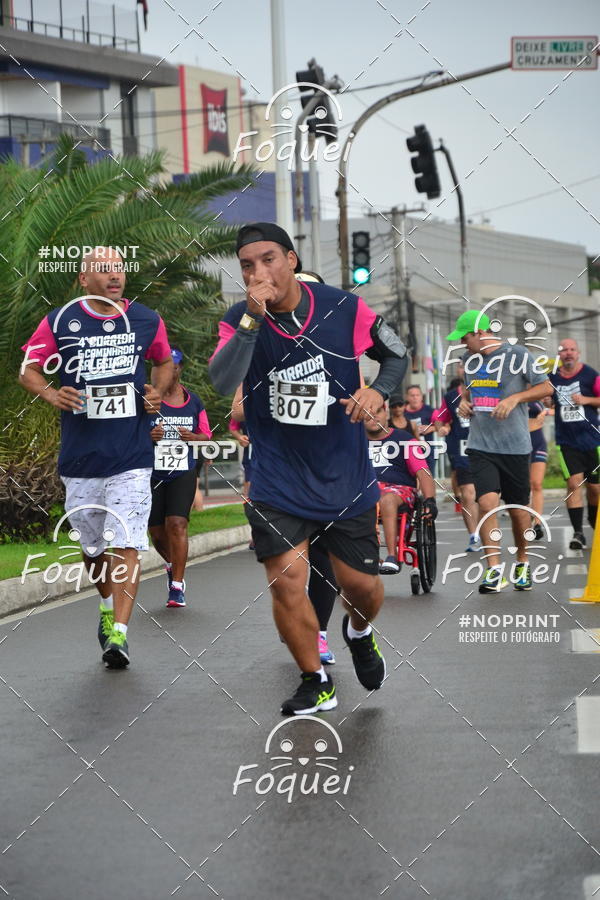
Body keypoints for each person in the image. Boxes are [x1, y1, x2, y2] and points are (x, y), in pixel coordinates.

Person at [209, 221, 408, 714]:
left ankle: (358, 631)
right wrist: (252, 320)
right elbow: (223, 381)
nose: (258, 272)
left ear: (291, 260)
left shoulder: (344, 308)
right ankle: (315, 679)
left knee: (361, 586)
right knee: (287, 581)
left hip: (343, 474)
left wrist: (377, 391)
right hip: (277, 477)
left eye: (268, 260)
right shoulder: (238, 319)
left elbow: (396, 352)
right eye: (247, 265)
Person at [19, 247, 173, 667]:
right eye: (104, 270)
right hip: (81, 458)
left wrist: (157, 390)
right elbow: (28, 369)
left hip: (132, 455)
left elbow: (163, 361)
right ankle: (106, 606)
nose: (114, 276)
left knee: (126, 540)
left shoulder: (146, 319)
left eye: (119, 269)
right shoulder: (60, 321)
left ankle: (119, 634)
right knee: (92, 547)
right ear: (83, 280)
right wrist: (52, 393)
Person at [446, 309, 553, 593]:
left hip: (515, 446)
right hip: (481, 445)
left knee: (518, 511)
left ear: (480, 333)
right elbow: (469, 392)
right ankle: (494, 570)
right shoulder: (468, 360)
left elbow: (546, 387)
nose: (462, 343)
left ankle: (522, 562)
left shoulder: (517, 354)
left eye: (464, 337)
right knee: (486, 504)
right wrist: (464, 404)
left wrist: (516, 398)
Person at [148, 347, 212, 608]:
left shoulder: (193, 402)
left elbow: (206, 436)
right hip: (151, 473)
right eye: (161, 366)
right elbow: (127, 434)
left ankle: (177, 585)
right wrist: (148, 436)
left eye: (172, 366)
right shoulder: (146, 400)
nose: (167, 371)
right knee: (156, 532)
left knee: (177, 523)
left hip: (182, 470)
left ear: (179, 369)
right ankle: (172, 566)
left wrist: (194, 437)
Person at [365, 403, 437, 573]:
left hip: (398, 489)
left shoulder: (405, 440)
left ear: (386, 413)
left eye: (377, 412)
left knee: (387, 499)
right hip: (366, 489)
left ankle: (392, 556)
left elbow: (423, 472)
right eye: (367, 414)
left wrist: (430, 500)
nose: (373, 417)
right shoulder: (355, 442)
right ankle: (367, 555)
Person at [548, 338, 600, 549]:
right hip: (567, 441)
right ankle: (578, 533)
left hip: (592, 440)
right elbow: (546, 398)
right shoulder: (552, 378)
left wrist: (586, 400)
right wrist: (547, 400)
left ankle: (594, 522)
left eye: (572, 349)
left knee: (595, 488)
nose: (568, 353)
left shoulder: (591, 375)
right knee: (573, 484)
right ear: (559, 354)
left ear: (578, 353)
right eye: (564, 350)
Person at [431, 366, 480, 552]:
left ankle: (486, 532)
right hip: (462, 452)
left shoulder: (485, 391)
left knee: (486, 498)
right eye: (462, 366)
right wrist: (441, 428)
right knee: (468, 494)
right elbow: (439, 418)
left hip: (485, 449)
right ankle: (474, 536)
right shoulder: (451, 396)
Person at [404, 384, 437, 474]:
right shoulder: (401, 412)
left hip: (427, 452)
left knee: (428, 477)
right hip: (407, 452)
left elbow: (443, 425)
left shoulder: (430, 411)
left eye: (417, 395)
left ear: (422, 396)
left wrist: (431, 428)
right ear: (407, 397)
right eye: (412, 395)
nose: (415, 398)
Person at [528, 401, 548, 541]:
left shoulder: (538, 392)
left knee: (536, 484)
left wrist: (546, 411)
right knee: (523, 486)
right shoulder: (510, 393)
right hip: (518, 442)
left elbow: (558, 405)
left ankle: (537, 524)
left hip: (537, 442)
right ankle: (526, 517)